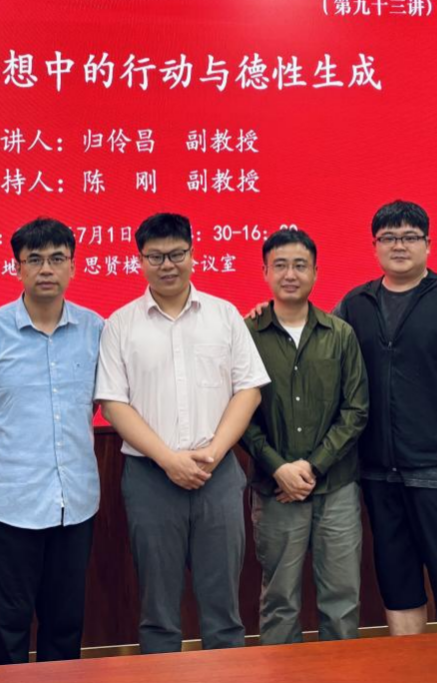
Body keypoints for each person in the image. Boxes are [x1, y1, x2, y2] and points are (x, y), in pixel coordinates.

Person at [96, 213, 269, 653]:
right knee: (157, 612)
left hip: (218, 472)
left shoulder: (224, 315)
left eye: (176, 254)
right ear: (140, 260)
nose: (167, 265)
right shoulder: (120, 324)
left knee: (223, 609)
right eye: (155, 256)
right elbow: (113, 403)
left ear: (193, 254)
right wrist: (168, 459)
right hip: (150, 477)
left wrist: (214, 451)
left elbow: (249, 390)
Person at [334, 200, 437, 634]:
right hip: (377, 472)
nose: (398, 245)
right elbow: (320, 346)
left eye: (409, 237)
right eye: (388, 237)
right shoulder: (355, 303)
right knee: (397, 583)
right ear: (374, 246)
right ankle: (411, 667)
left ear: (428, 244)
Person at [0, 218, 103, 665]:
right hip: (10, 501)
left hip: (74, 499)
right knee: (8, 625)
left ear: (73, 266)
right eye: (34, 260)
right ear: (16, 267)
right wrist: (3, 452)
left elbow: (104, 400)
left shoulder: (96, 329)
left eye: (57, 258)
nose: (46, 269)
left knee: (65, 623)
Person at [242, 229, 369, 644]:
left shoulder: (340, 333)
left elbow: (356, 410)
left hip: (337, 489)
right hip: (274, 490)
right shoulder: (245, 335)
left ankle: (340, 672)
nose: (290, 274)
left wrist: (312, 468)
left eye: (300, 265)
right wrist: (278, 468)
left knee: (342, 601)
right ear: (264, 272)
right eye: (280, 265)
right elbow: (238, 414)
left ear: (316, 272)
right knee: (279, 601)